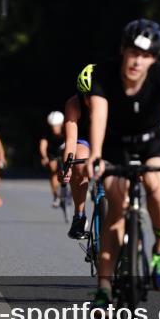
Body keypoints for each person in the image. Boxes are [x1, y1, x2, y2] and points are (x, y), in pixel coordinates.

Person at [85, 19, 160, 310]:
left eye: (145, 56)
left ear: (153, 58)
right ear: (123, 50)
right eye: (133, 53)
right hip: (116, 145)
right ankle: (104, 286)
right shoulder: (104, 72)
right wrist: (95, 155)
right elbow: (99, 116)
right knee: (115, 206)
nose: (137, 61)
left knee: (155, 183)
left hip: (152, 143)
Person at [63, 64, 95, 240]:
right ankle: (79, 216)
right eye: (86, 95)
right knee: (78, 162)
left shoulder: (114, 100)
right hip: (85, 140)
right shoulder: (74, 104)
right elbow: (70, 140)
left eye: (95, 95)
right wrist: (68, 165)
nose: (91, 100)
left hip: (110, 139)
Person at [40, 111, 66, 208]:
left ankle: (69, 191)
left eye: (56, 126)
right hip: (52, 152)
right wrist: (44, 157)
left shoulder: (66, 129)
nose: (54, 128)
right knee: (53, 169)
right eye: (52, 126)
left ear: (61, 124)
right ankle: (56, 196)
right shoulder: (47, 132)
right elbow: (43, 146)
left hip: (65, 150)